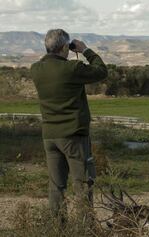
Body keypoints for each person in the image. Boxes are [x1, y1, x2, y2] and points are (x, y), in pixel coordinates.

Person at [31, 29, 108, 222]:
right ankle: (84, 228)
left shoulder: (36, 69)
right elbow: (101, 71)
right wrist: (85, 50)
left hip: (50, 136)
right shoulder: (72, 69)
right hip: (74, 135)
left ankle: (58, 228)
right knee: (82, 184)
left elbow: (48, 63)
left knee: (56, 186)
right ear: (65, 47)